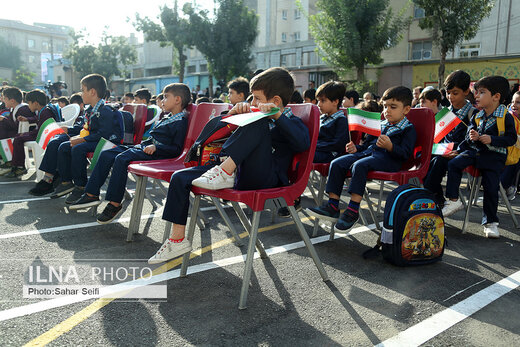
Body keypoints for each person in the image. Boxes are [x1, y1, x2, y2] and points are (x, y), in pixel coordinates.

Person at [148, 67, 310, 264]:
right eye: (252, 97)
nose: (252, 103)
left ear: (275, 101)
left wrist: (276, 116)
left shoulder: (291, 121)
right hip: (233, 169)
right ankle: (177, 239)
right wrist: (231, 115)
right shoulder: (252, 113)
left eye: (257, 98)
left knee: (257, 121)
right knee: (179, 177)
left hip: (266, 178)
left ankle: (225, 171)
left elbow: (302, 143)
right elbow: (212, 135)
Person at [70, 83, 191, 223]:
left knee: (121, 158)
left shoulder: (180, 122)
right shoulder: (168, 117)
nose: (162, 100)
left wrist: (157, 148)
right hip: (145, 148)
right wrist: (147, 145)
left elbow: (177, 149)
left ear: (177, 100)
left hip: (157, 153)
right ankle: (91, 194)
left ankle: (115, 203)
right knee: (107, 153)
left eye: (165, 97)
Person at [307, 86, 416, 233]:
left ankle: (353, 210)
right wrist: (356, 148)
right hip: (369, 155)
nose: (387, 110)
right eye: (385, 106)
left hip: (389, 160)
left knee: (359, 165)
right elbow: (367, 145)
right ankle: (332, 205)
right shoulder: (381, 124)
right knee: (337, 163)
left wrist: (391, 147)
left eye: (393, 107)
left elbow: (406, 154)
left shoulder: (408, 129)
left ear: (406, 109)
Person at [442, 76, 517, 238]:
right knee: (454, 164)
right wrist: (471, 137)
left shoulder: (506, 117)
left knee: (490, 187)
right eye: (476, 92)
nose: (476, 95)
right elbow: (467, 138)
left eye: (481, 92)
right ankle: (453, 200)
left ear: (496, 97)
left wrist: (493, 139)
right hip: (474, 152)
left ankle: (490, 222)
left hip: (494, 156)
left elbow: (511, 139)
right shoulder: (477, 115)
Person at [50, 74, 123, 204]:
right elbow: (87, 128)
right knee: (64, 146)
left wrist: (82, 140)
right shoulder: (91, 110)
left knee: (78, 148)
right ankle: (66, 181)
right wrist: (74, 133)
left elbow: (104, 134)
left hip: (107, 143)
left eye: (83, 90)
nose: (81, 93)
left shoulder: (106, 110)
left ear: (93, 92)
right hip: (94, 140)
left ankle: (81, 185)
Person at [423, 70, 477, 207]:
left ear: (466, 91)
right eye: (448, 93)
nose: (450, 96)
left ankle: (432, 199)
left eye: (455, 93)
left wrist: (458, 151)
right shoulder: (446, 112)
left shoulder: (472, 113)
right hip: (444, 151)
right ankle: (436, 198)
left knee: (437, 164)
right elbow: (438, 137)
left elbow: (471, 139)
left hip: (460, 154)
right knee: (425, 161)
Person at [28, 94, 86, 195]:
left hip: (85, 136)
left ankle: (55, 179)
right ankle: (50, 178)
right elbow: (81, 126)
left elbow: (92, 129)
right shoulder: (89, 111)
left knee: (63, 145)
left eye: (84, 90)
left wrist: (71, 130)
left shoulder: (102, 110)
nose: (82, 93)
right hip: (78, 132)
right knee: (54, 142)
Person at [3, 89, 60, 178]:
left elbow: (41, 131)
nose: (28, 105)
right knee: (19, 136)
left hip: (44, 136)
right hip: (40, 134)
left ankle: (19, 167)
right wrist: (27, 119)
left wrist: (27, 134)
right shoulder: (44, 110)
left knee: (18, 139)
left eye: (29, 103)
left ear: (35, 103)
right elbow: (37, 118)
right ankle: (17, 165)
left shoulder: (45, 112)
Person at [314, 81, 348, 163]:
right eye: (318, 101)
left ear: (335, 102)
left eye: (323, 101)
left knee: (305, 156)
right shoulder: (321, 118)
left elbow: (338, 144)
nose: (319, 104)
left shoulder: (341, 121)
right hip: (317, 150)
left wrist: (315, 146)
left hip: (329, 154)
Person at [500, 90, 520, 200]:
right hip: (505, 151)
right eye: (512, 101)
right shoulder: (507, 116)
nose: (514, 105)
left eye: (518, 102)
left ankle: (505, 186)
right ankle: (503, 186)